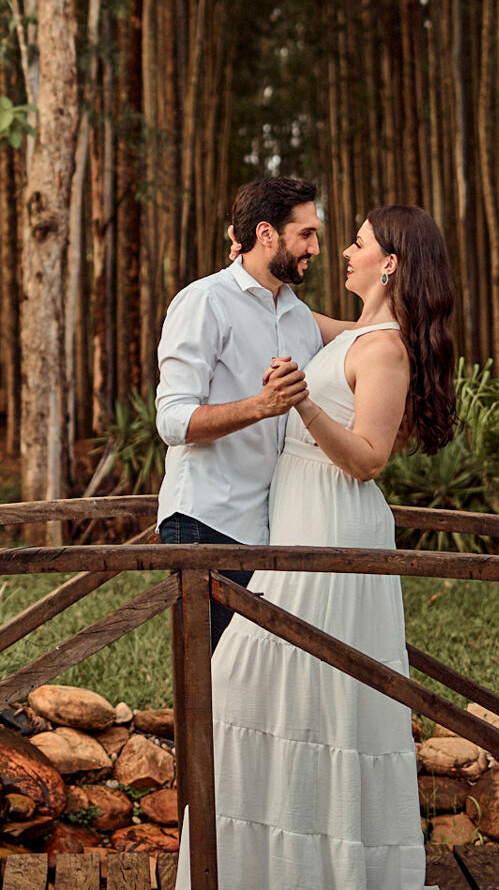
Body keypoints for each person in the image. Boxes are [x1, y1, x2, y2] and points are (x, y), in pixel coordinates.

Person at [181, 205, 457, 889]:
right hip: (297, 529)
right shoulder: (354, 332)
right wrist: (246, 252)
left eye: (357, 244)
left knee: (313, 692)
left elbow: (367, 458)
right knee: (267, 691)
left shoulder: (387, 349)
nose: (342, 252)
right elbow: (278, 312)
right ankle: (272, 869)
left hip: (336, 533)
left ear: (389, 263)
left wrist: (302, 405)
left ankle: (332, 868)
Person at [155, 175, 325, 650]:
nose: (314, 246)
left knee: (252, 697)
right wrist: (261, 406)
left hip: (274, 531)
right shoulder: (204, 301)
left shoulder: (299, 318)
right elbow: (172, 421)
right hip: (206, 524)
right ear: (266, 233)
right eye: (306, 234)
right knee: (207, 689)